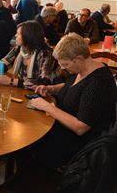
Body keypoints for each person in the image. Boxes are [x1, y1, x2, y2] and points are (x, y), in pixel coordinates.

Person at [30, 33, 116, 168]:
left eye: (65, 64)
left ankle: (38, 178)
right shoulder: (82, 69)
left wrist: (48, 107)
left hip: (81, 143)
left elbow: (81, 127)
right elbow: (70, 86)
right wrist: (51, 88)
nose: (62, 68)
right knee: (33, 128)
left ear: (79, 58)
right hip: (65, 128)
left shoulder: (98, 82)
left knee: (33, 140)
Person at [0, 20, 57, 89]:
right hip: (21, 88)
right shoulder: (20, 48)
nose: (15, 35)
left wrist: (11, 81)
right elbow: (4, 62)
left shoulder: (44, 53)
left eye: (18, 34)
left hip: (39, 94)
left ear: (28, 36)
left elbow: (42, 81)